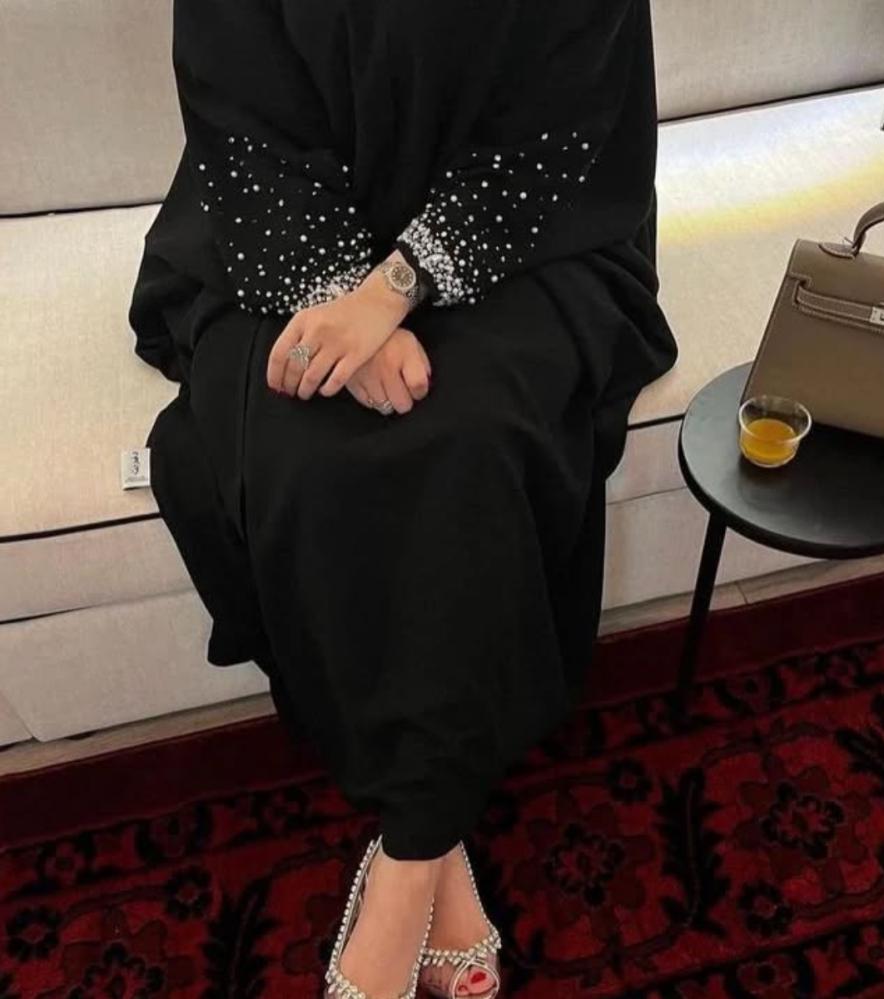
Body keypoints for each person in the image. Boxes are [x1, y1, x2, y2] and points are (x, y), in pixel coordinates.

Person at [128, 0, 677, 994]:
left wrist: (391, 291)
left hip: (527, 239)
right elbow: (238, 108)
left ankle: (409, 853)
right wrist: (337, 295)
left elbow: (559, 124)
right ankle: (438, 844)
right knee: (301, 454)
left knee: (470, 446)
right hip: (280, 235)